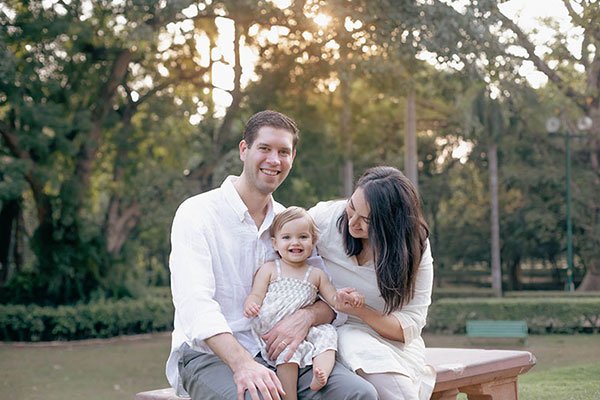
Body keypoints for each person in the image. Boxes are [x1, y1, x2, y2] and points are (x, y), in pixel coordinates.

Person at [166, 110, 377, 400]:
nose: (274, 160)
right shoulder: (198, 213)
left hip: (285, 354)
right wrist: (243, 364)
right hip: (212, 357)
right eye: (264, 148)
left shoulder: (290, 226)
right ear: (244, 150)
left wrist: (306, 316)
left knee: (359, 394)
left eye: (284, 152)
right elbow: (195, 305)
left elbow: (326, 298)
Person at [308, 166, 436, 400]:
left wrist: (360, 310)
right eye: (352, 207)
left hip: (392, 343)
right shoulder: (326, 219)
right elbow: (284, 243)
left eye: (367, 220)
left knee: (389, 379)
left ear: (391, 226)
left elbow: (410, 325)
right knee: (354, 343)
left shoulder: (414, 247)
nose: (352, 223)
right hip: (333, 331)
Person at [244, 206, 364, 400]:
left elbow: (332, 299)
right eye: (287, 238)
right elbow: (256, 294)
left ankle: (321, 372)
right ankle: (289, 395)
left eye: (302, 237)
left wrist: (344, 296)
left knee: (328, 335)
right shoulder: (270, 269)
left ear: (313, 242)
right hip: (276, 324)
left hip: (306, 329)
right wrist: (252, 303)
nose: (295, 243)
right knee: (289, 352)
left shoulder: (316, 274)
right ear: (274, 243)